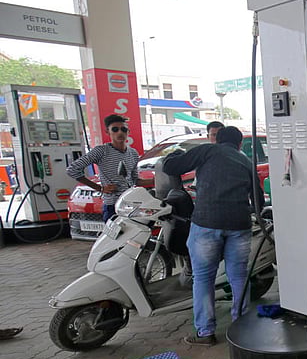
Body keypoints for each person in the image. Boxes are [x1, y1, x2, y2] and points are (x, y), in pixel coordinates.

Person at [163, 126, 263, 346]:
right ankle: (241, 328)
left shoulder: (207, 151)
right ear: (239, 144)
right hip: (239, 225)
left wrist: (175, 154)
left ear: (217, 140)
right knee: (239, 276)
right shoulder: (246, 161)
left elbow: (171, 166)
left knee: (203, 277)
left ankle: (206, 332)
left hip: (206, 223)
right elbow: (258, 201)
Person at [66, 114, 153, 222]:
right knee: (114, 233)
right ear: (108, 132)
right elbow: (72, 170)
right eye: (115, 129)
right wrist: (100, 188)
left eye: (123, 129)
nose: (120, 133)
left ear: (128, 132)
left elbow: (135, 180)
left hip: (131, 205)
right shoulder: (101, 151)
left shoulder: (133, 153)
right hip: (112, 205)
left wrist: (157, 180)